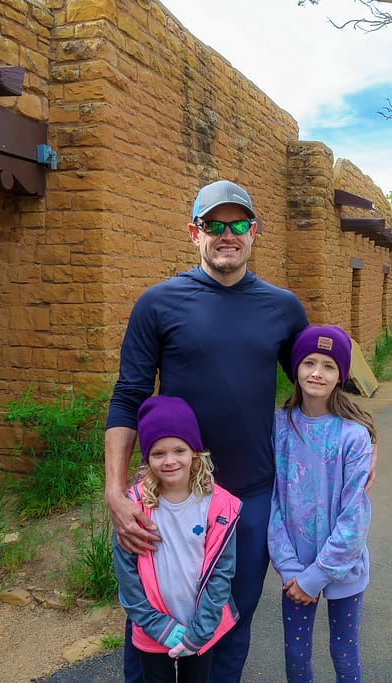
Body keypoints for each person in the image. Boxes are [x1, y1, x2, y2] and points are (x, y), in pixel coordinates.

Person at [105, 179, 310, 682]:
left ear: (253, 232)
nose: (226, 234)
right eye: (213, 224)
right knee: (153, 621)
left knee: (229, 625)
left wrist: (362, 443)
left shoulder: (282, 308)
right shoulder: (158, 304)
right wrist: (114, 491)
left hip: (250, 495)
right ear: (193, 232)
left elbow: (315, 387)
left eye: (237, 224)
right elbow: (128, 396)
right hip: (171, 495)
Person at [268, 324, 375, 683]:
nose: (317, 372)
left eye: (329, 366)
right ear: (296, 368)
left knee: (344, 653)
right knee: (296, 656)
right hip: (294, 569)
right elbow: (274, 501)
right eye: (309, 362)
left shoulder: (353, 436)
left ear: (341, 375)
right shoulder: (279, 427)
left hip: (342, 570)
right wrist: (289, 567)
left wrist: (317, 576)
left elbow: (354, 516)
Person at [113, 395, 241, 683]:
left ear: (194, 452)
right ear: (147, 457)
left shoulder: (219, 506)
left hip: (200, 627)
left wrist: (201, 630)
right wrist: (156, 625)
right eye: (158, 453)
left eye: (179, 450)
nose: (170, 461)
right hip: (154, 628)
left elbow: (222, 573)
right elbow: (126, 575)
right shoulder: (134, 506)